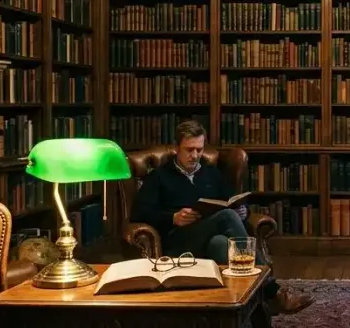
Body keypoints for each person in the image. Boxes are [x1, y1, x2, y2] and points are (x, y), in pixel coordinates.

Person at [131, 120, 314, 315]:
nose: (195, 156)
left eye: (199, 150)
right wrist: (172, 217)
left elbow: (231, 201)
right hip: (178, 241)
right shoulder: (159, 176)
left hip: (208, 237)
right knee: (226, 217)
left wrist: (243, 212)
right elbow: (139, 214)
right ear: (177, 149)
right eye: (189, 150)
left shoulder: (210, 173)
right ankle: (272, 291)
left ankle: (243, 309)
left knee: (220, 243)